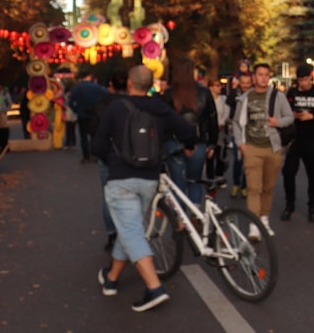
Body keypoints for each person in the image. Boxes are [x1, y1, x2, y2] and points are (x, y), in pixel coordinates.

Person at [91, 64, 197, 312]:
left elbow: (97, 146)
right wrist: (189, 145)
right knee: (131, 227)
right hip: (150, 179)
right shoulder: (160, 108)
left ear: (129, 83)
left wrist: (113, 161)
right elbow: (187, 130)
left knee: (131, 231)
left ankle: (154, 288)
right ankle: (111, 278)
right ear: (151, 85)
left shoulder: (116, 108)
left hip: (121, 179)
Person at [232, 62, 294, 240]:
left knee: (268, 187)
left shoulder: (277, 96)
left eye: (266, 75)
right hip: (252, 148)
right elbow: (236, 123)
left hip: (273, 148)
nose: (263, 78)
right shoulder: (245, 98)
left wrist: (278, 122)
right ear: (254, 77)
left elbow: (289, 117)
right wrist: (241, 144)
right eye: (260, 74)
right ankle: (254, 226)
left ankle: (264, 219)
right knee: (254, 188)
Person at [162, 57, 219, 206]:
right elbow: (212, 119)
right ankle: (195, 214)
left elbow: (164, 122)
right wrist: (212, 143)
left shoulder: (169, 94)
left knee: (178, 182)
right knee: (194, 180)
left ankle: (181, 221)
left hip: (173, 143)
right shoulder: (204, 92)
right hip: (198, 142)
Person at [280, 63, 314, 222]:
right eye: (301, 80)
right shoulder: (292, 92)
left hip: (312, 139)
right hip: (295, 139)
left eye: (306, 79)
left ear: (311, 77)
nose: (303, 83)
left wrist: (312, 116)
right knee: (288, 172)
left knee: (313, 177)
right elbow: (284, 110)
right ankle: (289, 204)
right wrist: (292, 115)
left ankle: (312, 206)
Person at [90, 68, 128, 252]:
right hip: (131, 156)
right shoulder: (133, 102)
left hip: (107, 155)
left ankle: (112, 234)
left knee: (108, 197)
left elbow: (94, 130)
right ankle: (128, 233)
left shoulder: (102, 103)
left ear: (111, 86)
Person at [67, 66, 107, 163]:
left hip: (82, 115)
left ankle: (86, 157)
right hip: (94, 115)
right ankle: (94, 155)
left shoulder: (77, 88)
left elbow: (71, 102)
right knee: (94, 135)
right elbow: (106, 94)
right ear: (89, 76)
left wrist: (77, 110)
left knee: (83, 137)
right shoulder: (96, 87)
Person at [229, 70, 253, 198]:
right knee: (237, 161)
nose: (245, 85)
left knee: (247, 162)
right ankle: (236, 184)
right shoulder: (234, 94)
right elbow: (230, 108)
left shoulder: (254, 95)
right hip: (237, 131)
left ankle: (244, 186)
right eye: (243, 83)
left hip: (250, 134)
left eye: (247, 83)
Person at [206, 77, 230, 180]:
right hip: (210, 130)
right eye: (217, 86)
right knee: (210, 153)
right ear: (210, 87)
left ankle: (219, 174)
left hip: (220, 130)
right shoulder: (206, 100)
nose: (219, 88)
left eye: (220, 86)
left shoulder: (223, 100)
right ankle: (210, 176)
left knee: (220, 152)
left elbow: (226, 112)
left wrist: (221, 123)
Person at [0, 81, 11, 160]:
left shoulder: (4, 94)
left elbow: (9, 103)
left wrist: (5, 110)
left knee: (3, 127)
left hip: (1, 113)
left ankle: (4, 145)